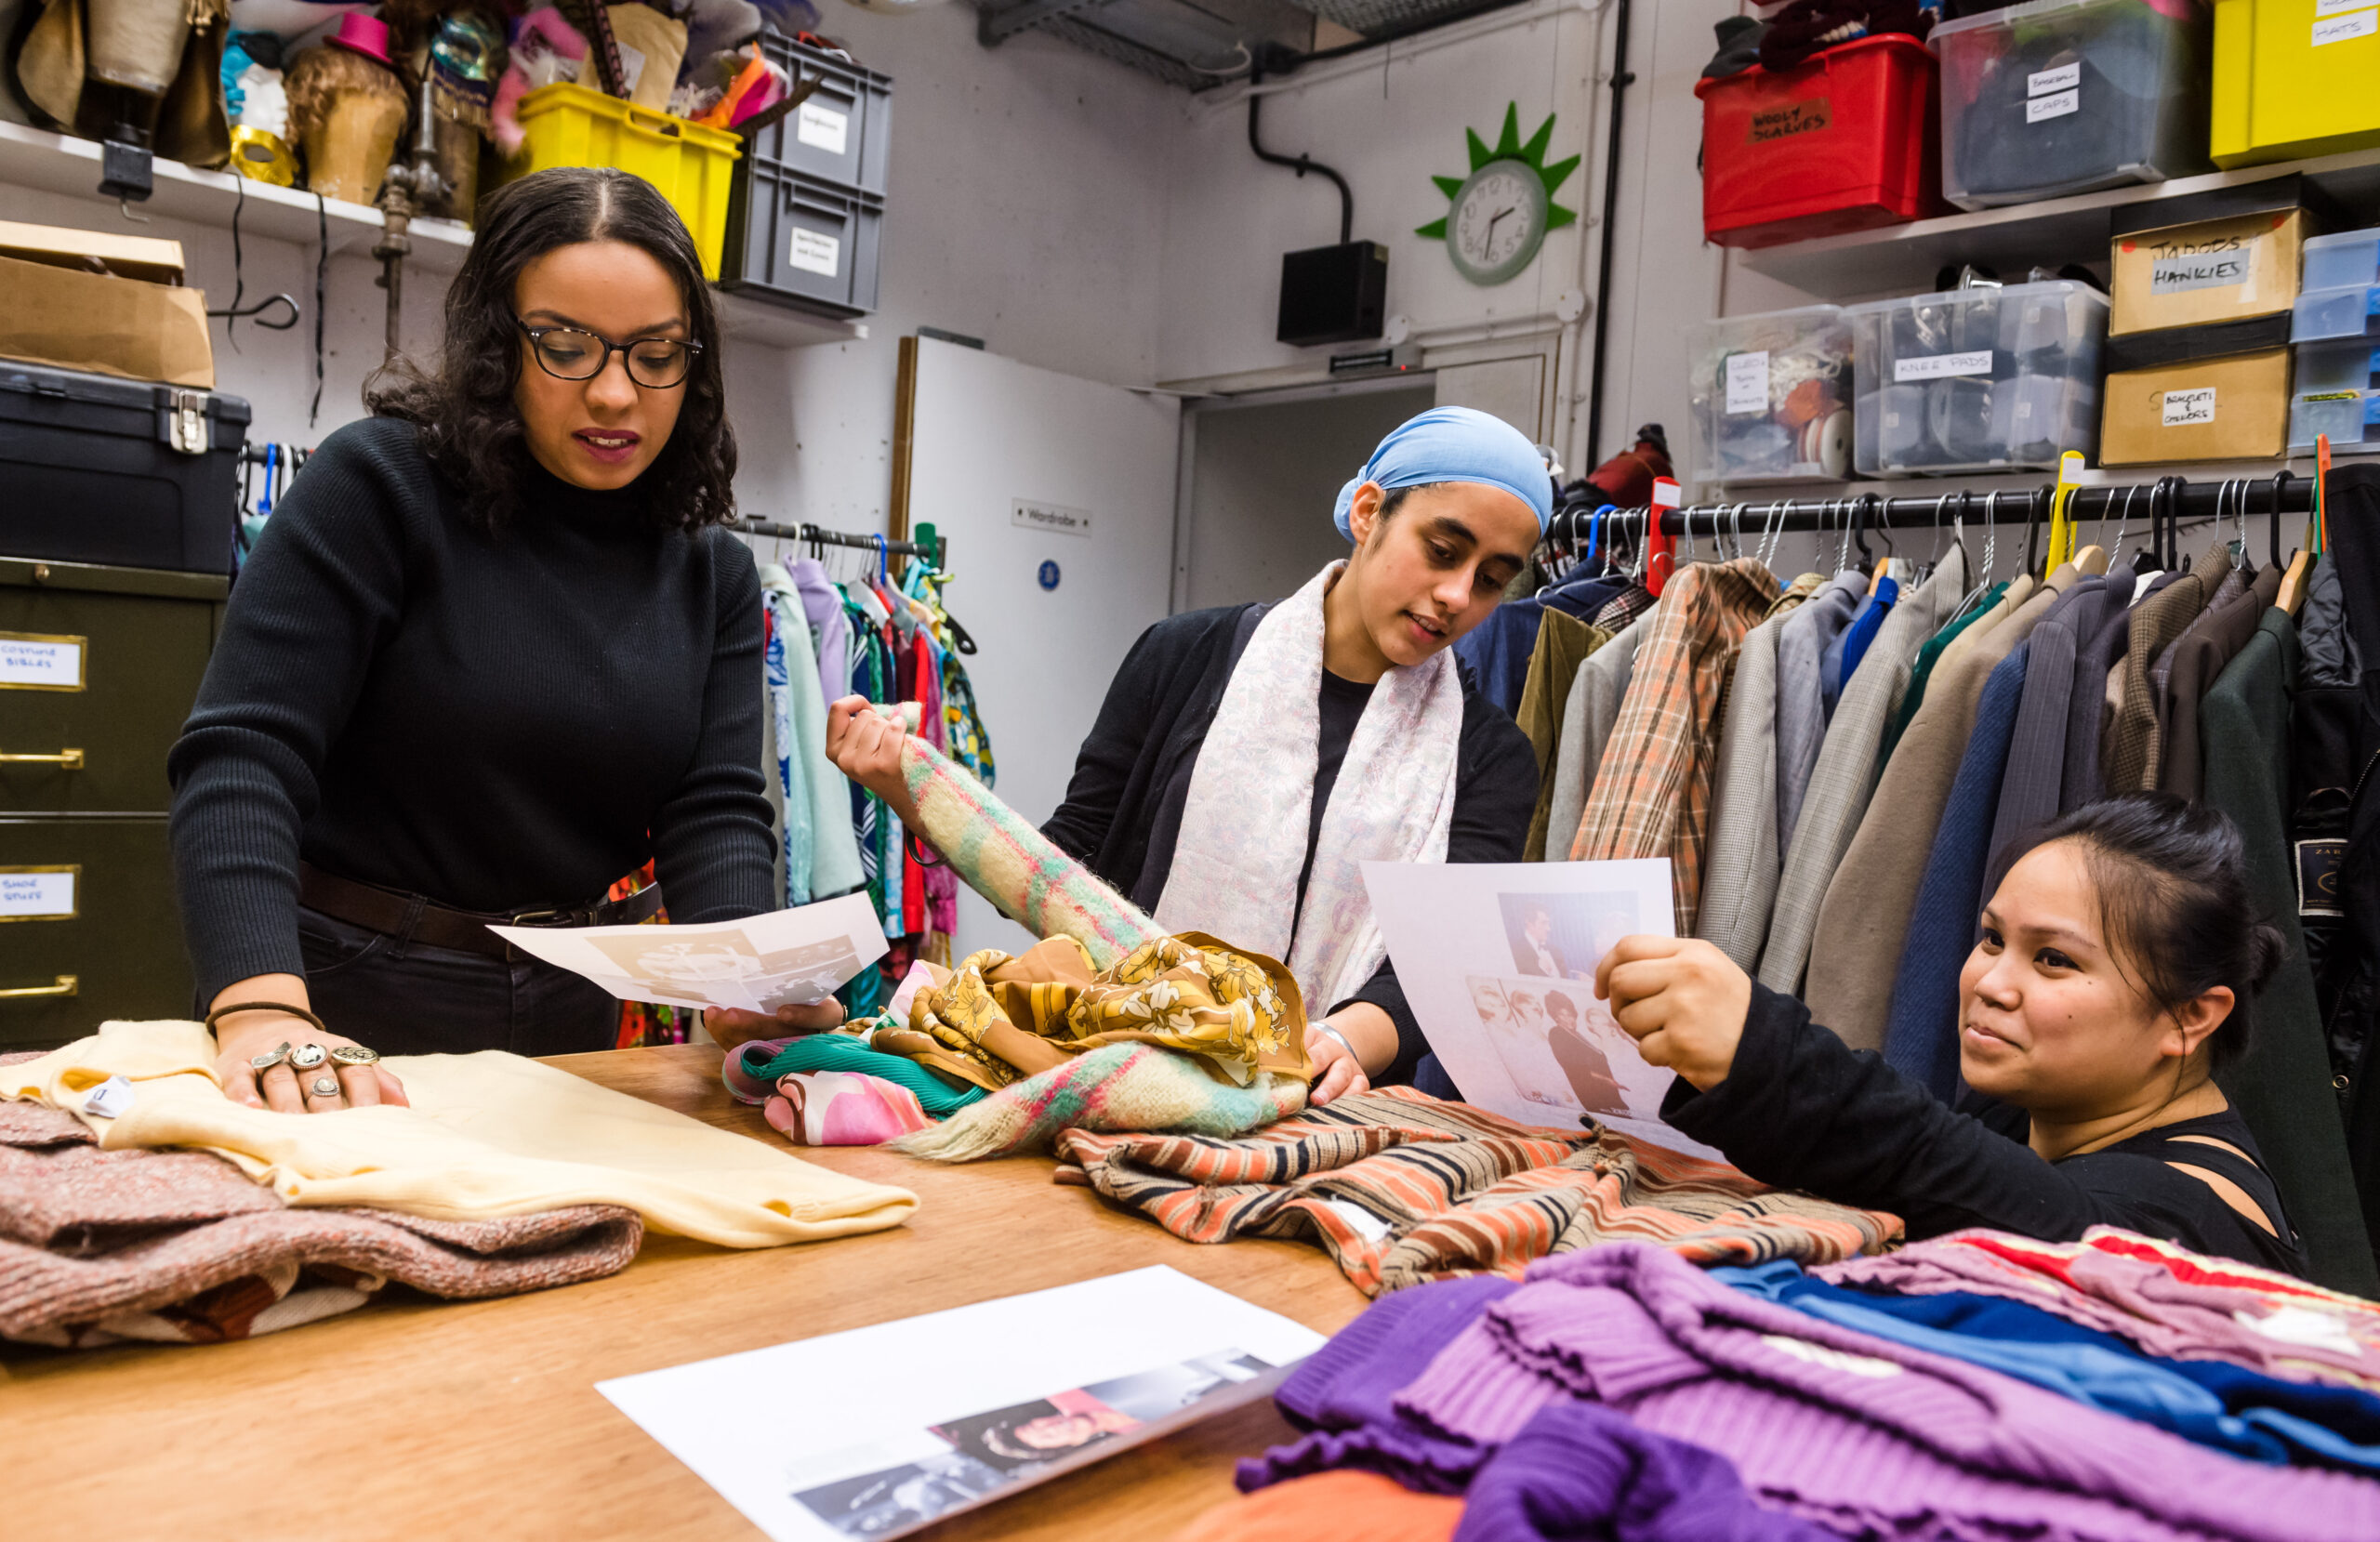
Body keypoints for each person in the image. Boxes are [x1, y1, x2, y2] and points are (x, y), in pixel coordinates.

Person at [169, 167, 834, 1115]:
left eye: (656, 356)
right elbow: (243, 757)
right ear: (498, 344)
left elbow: (715, 808)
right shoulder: (380, 488)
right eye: (567, 347)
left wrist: (742, 983)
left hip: (575, 1009)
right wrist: (261, 1007)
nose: (615, 393)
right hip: (345, 1002)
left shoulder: (710, 570)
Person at [826, 407, 1546, 1105]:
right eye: (1443, 552)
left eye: (1491, 579)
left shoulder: (1488, 756)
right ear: (1367, 513)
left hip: (1327, 1115)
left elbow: (1440, 962)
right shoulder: (1184, 657)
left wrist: (1342, 1044)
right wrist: (913, 788)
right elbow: (1070, 862)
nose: (1456, 595)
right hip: (1120, 1076)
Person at [1594, 793, 2308, 1276]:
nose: (1991, 982)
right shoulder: (2038, 1110)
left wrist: (1762, 1046)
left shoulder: (2197, 1226)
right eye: (1993, 938)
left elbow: (2040, 1218)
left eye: (2054, 959)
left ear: (2192, 1016)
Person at [1544, 989, 1626, 1114]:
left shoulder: (1577, 1035)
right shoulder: (1557, 1034)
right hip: (1594, 1096)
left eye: (1570, 1014)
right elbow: (1575, 1068)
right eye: (1563, 1015)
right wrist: (1606, 1080)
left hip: (1608, 1093)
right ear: (1555, 1016)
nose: (1569, 1019)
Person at [1508, 904, 1567, 978]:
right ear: (1530, 924)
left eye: (1548, 923)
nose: (1549, 929)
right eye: (1544, 923)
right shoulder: (1515, 952)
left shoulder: (1556, 951)